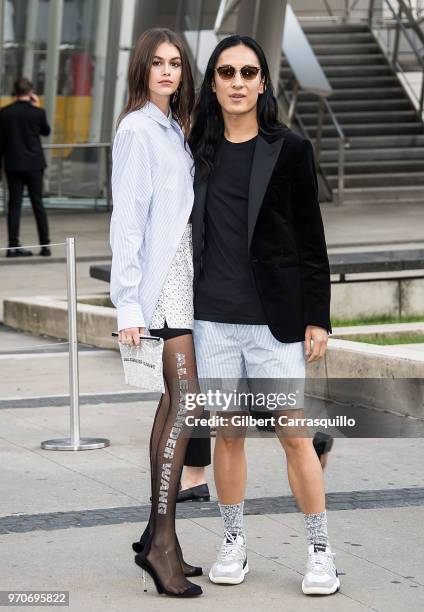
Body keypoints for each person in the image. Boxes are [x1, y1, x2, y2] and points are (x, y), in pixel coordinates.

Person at [188, 35, 339, 596]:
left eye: (248, 72)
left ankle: (321, 553)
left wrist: (317, 318)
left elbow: (312, 241)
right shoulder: (195, 149)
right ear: (213, 82)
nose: (237, 82)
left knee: (293, 435)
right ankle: (233, 542)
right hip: (214, 322)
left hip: (276, 323)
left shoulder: (291, 149)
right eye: (226, 72)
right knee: (228, 434)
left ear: (262, 83)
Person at [109, 28, 203, 598]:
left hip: (183, 280)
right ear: (141, 69)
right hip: (161, 285)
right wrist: (127, 302)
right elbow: (128, 220)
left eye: (175, 63)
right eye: (157, 63)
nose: (167, 72)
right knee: (186, 401)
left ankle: (157, 537)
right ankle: (162, 545)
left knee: (175, 402)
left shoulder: (171, 128)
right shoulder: (136, 130)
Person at [0, 77, 51, 257]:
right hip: (35, 164)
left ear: (15, 92)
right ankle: (45, 245)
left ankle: (13, 245)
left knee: (14, 205)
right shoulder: (38, 112)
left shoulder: (4, 113)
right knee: (38, 203)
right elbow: (46, 131)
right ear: (30, 93)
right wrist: (36, 106)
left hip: (13, 164)